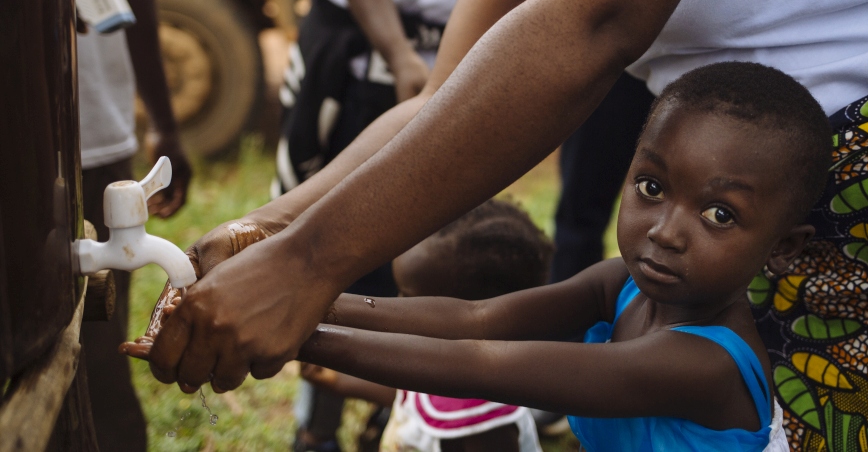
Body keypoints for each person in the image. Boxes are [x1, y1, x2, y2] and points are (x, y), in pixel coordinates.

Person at [134, 0, 868, 447]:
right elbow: (451, 99)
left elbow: (591, 23)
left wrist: (307, 266)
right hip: (732, 209)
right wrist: (267, 233)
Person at [294, 62, 823, 452]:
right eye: (652, 186)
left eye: (719, 215)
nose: (665, 232)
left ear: (782, 248)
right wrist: (306, 300)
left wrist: (298, 335)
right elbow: (477, 318)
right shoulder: (625, 285)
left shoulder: (706, 365)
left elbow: (478, 364)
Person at [278, 0, 505, 448]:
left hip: (455, 47)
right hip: (368, 51)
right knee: (336, 239)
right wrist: (401, 53)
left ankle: (403, 417)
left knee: (425, 257)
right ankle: (316, 425)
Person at [70, 0, 192, 450]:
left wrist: (164, 124)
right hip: (98, 118)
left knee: (90, 347)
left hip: (93, 121)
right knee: (91, 351)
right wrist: (164, 126)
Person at [301, 199, 550, 452]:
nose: (394, 307)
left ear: (470, 314)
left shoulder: (484, 419)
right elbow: (412, 394)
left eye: (408, 298)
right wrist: (338, 381)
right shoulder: (440, 363)